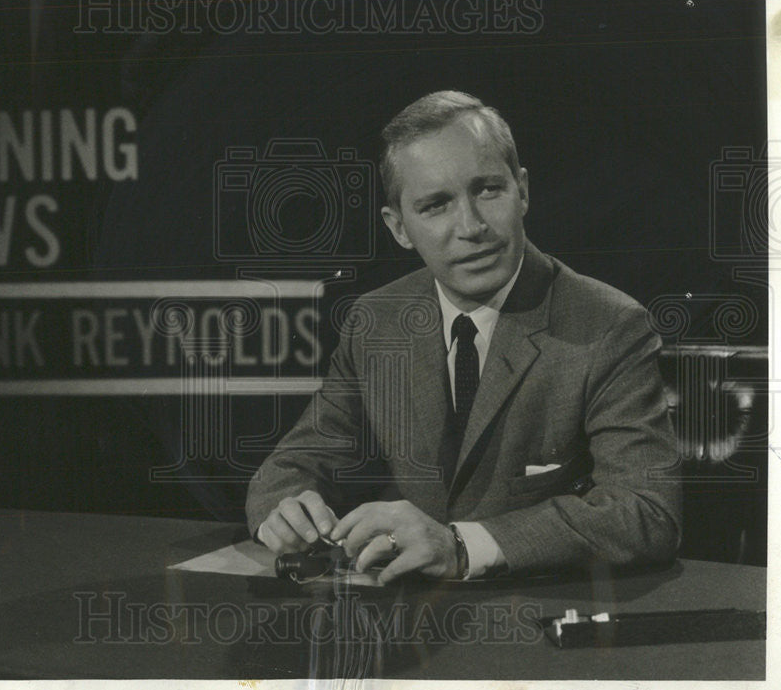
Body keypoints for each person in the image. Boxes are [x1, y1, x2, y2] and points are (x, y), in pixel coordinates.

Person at [245, 91, 682, 585]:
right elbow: (292, 465)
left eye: (489, 190)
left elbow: (647, 513)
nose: (471, 227)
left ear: (523, 191)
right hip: (406, 619)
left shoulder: (609, 325)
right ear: (399, 228)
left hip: (541, 618)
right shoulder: (376, 320)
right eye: (435, 206)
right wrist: (283, 511)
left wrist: (460, 546)